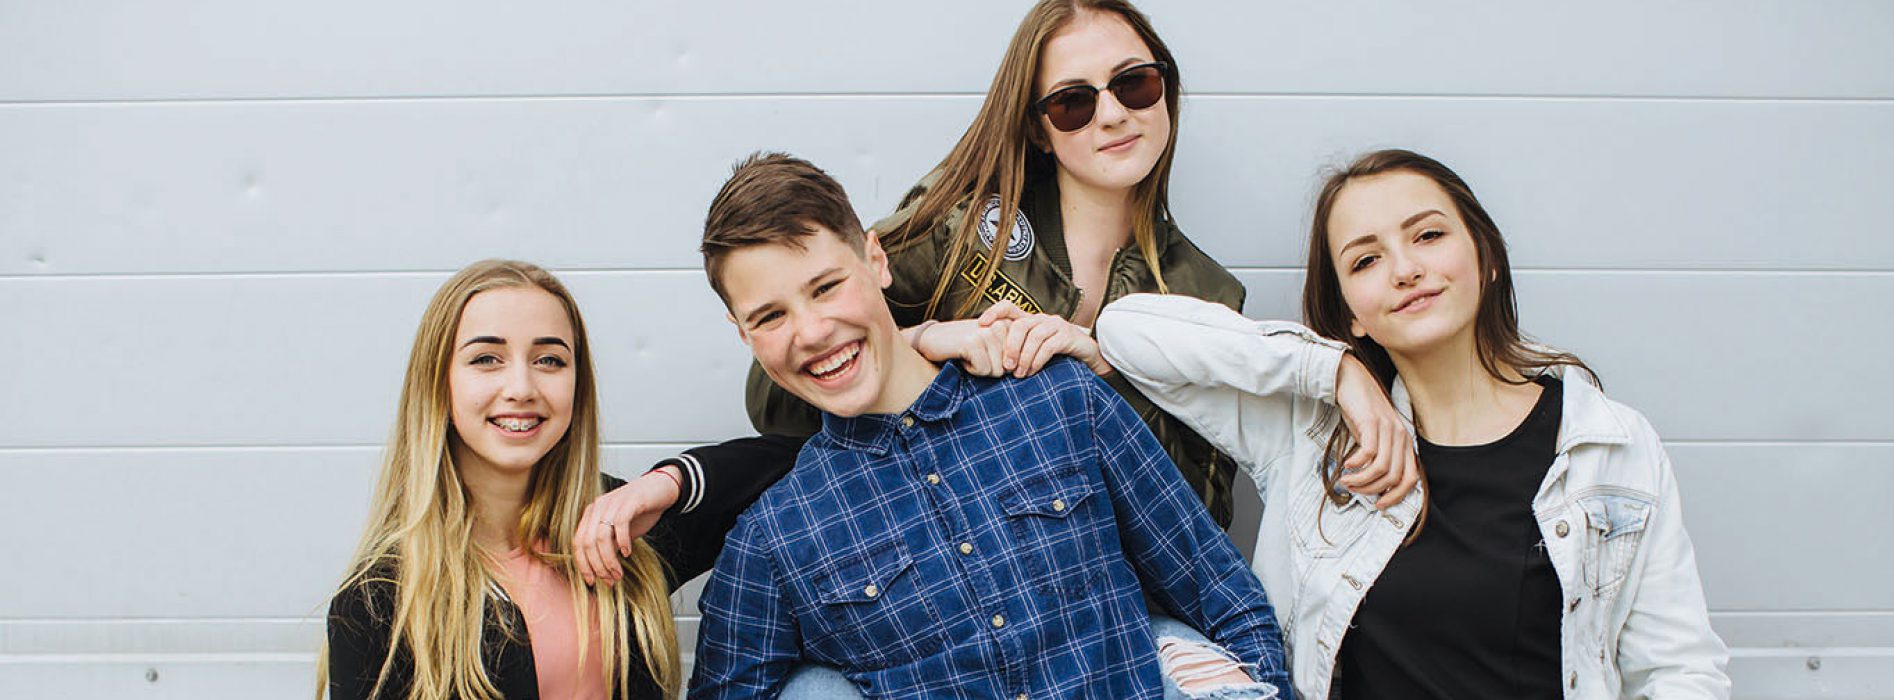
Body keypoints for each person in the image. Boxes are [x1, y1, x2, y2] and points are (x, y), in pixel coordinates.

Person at [1098, 149, 1732, 699]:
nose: (1404, 269)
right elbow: (1127, 330)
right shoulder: (1310, 436)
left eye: (1427, 236)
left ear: (1485, 258)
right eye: (1365, 261)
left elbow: (1679, 671)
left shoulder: (1608, 447)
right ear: (1352, 315)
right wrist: (1337, 373)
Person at [691, 152, 1289, 699]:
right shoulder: (775, 539)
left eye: (826, 288)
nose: (813, 331)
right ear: (741, 332)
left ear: (876, 261)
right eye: (770, 316)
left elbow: (1226, 600)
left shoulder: (1059, 401)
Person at [745, 0, 1311, 529]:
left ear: (1166, 92)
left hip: (1106, 593)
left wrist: (1108, 371)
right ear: (1040, 128)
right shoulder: (960, 226)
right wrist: (927, 341)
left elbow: (1201, 517)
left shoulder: (1206, 293)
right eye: (1074, 102)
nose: (1112, 115)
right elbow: (776, 402)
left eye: (1134, 83)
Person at [320, 260, 803, 700]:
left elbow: (800, 461)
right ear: (438, 385)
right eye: (486, 358)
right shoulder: (382, 599)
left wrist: (669, 481)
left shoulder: (616, 531)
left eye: (549, 360)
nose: (522, 388)